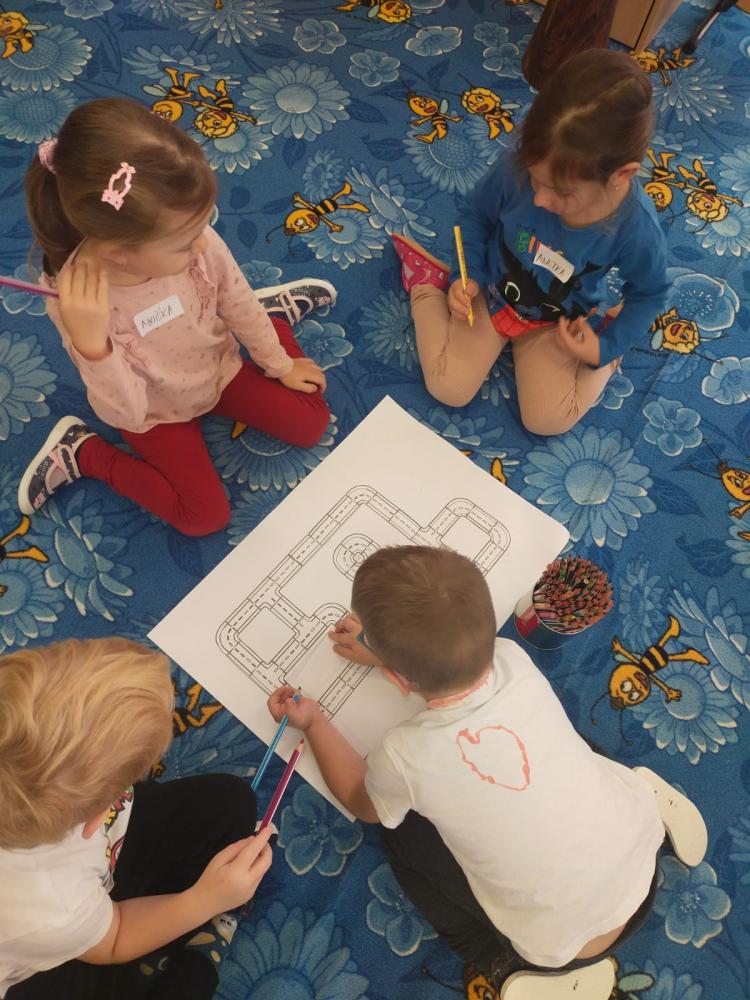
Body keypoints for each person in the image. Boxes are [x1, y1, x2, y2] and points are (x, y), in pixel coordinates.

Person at [267, 546, 706, 996]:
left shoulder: (403, 754)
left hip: (563, 948)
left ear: (398, 678)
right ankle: (651, 793)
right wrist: (392, 658)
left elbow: (362, 803)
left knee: (400, 834)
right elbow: (448, 673)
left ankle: (498, 962)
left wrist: (314, 723)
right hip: (640, 847)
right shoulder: (512, 656)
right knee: (562, 745)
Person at [18, 97, 335, 536]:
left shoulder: (187, 234)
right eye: (186, 242)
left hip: (216, 368)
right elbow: (128, 413)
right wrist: (94, 349)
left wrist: (279, 363)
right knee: (203, 517)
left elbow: (235, 298)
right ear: (120, 252)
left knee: (311, 422)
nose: (203, 244)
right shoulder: (79, 302)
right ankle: (82, 453)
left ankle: (274, 319)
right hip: (154, 410)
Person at [392, 49, 669, 435]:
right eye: (535, 179)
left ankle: (605, 352)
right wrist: (466, 276)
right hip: (491, 291)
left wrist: (604, 349)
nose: (539, 199)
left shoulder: (636, 226)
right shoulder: (519, 165)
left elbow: (650, 295)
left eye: (562, 192)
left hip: (557, 322)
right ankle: (424, 282)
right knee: (448, 387)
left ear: (620, 176)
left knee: (547, 421)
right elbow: (475, 217)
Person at [0, 637, 272, 1000]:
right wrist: (205, 900)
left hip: (61, 891)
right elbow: (115, 940)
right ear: (99, 816)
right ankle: (198, 951)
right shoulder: (55, 905)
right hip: (48, 947)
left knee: (230, 802)